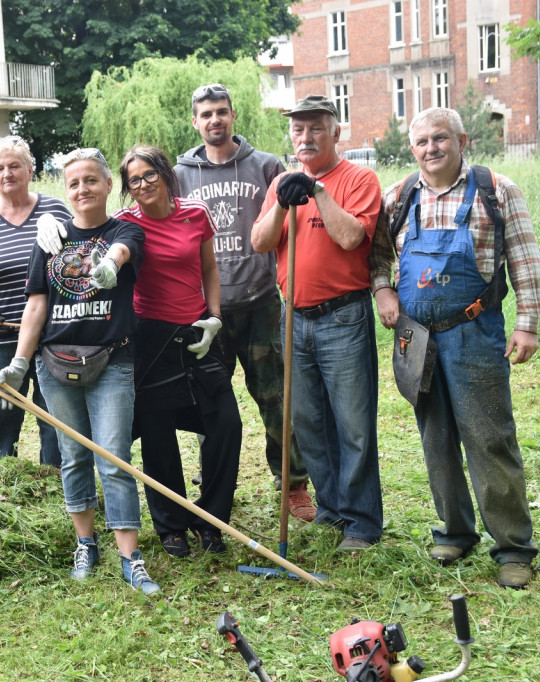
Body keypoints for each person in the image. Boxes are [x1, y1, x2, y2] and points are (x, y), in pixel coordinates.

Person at [372, 107, 540, 588]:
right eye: (422, 141)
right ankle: (455, 531)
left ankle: (512, 547)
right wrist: (383, 291)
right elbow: (377, 255)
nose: (432, 148)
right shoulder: (398, 196)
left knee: (489, 438)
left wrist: (527, 325)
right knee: (436, 436)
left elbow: (525, 258)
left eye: (441, 138)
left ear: (462, 141)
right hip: (415, 336)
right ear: (412, 148)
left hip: (474, 331)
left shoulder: (496, 190)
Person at [0, 148, 159, 594]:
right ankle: (85, 544)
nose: (82, 189)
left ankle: (131, 558)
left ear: (107, 185)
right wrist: (19, 362)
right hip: (54, 364)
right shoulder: (50, 237)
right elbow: (36, 305)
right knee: (73, 456)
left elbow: (125, 248)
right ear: (65, 191)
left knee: (114, 459)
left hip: (112, 361)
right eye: (73, 183)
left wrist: (111, 262)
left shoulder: (124, 229)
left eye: (91, 180)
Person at [174, 83, 314, 521]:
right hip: (205, 311)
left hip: (260, 304)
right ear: (195, 122)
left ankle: (292, 482)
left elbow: (290, 224)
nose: (214, 119)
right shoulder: (180, 175)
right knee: (208, 401)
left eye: (221, 111)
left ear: (233, 115)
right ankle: (215, 483)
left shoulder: (265, 166)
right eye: (206, 114)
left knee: (275, 398)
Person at [251, 94, 383, 552]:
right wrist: (281, 203)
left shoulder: (359, 179)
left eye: (316, 128)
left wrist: (318, 192)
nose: (305, 137)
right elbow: (260, 242)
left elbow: (350, 237)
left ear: (335, 132)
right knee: (308, 421)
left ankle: (362, 522)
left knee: (353, 424)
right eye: (298, 129)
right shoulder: (282, 183)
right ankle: (331, 509)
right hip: (294, 318)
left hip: (343, 317)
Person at [112, 145, 242, 557]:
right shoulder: (124, 223)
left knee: (226, 423)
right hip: (150, 339)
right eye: (134, 179)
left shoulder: (196, 214)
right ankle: (170, 526)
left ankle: (210, 519)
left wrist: (215, 317)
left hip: (198, 331)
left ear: (166, 173)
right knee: (157, 432)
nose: (143, 184)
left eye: (149, 174)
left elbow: (209, 269)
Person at [0, 136, 69, 466]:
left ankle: (55, 477)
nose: (7, 173)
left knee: (55, 412)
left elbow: (75, 262)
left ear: (30, 170)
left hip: (52, 334)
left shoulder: (55, 210)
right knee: (0, 408)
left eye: (14, 166)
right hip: (0, 336)